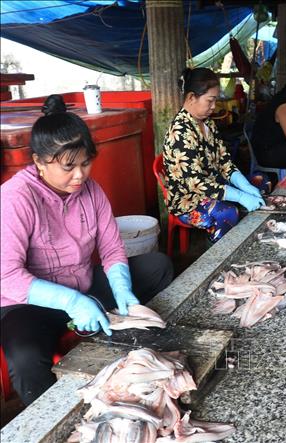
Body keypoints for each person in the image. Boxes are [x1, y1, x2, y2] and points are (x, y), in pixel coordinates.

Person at [0, 95, 174, 406]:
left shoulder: (90, 190)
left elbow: (111, 248)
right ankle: (52, 418)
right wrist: (71, 301)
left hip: (82, 284)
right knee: (25, 359)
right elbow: (9, 278)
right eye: (68, 166)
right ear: (39, 161)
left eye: (85, 163)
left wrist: (121, 288)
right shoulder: (16, 197)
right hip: (29, 303)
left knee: (157, 265)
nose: (79, 175)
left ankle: (127, 338)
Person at [163, 68, 265, 244]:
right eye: (210, 101)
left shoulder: (207, 122)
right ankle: (218, 253)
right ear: (191, 97)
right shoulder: (180, 132)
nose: (213, 106)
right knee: (227, 212)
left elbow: (223, 160)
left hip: (213, 186)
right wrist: (240, 196)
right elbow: (197, 184)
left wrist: (244, 185)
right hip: (188, 201)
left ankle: (248, 236)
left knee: (261, 181)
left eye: (215, 100)